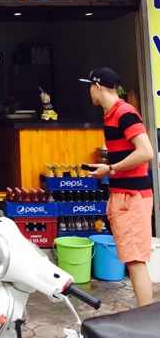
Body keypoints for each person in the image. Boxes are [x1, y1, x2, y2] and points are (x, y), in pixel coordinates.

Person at [80, 67, 154, 307]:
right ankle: (144, 317)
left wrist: (111, 168)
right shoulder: (112, 114)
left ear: (97, 86)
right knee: (133, 261)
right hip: (123, 195)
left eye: (90, 86)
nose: (90, 91)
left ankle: (146, 320)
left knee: (135, 262)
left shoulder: (124, 113)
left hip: (133, 197)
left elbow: (146, 152)